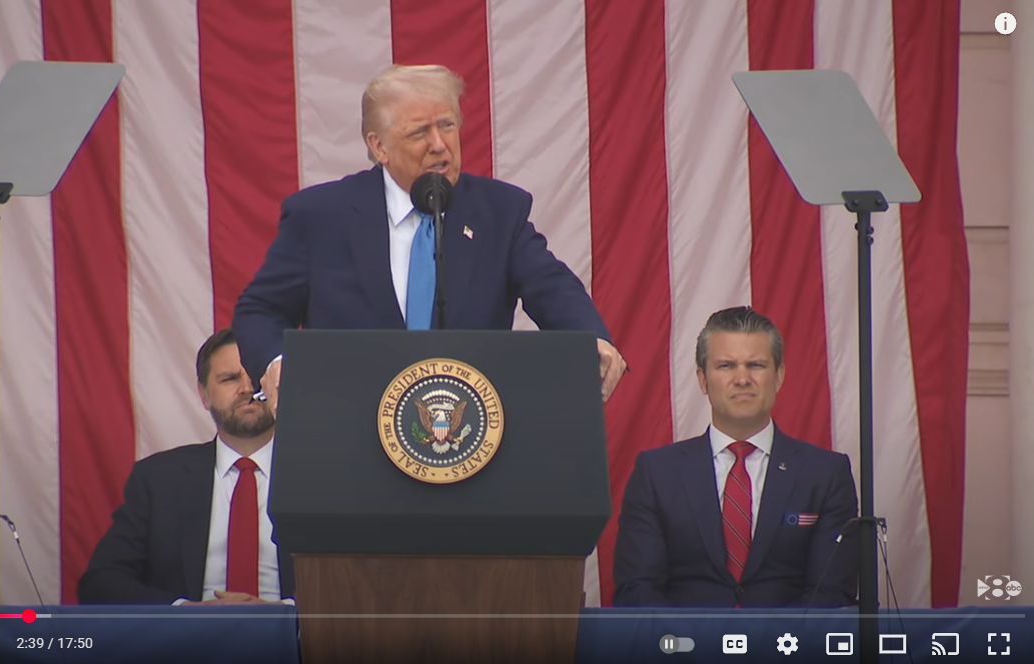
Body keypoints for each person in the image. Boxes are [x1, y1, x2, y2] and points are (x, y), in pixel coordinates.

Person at [233, 64, 625, 413]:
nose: (439, 144)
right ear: (379, 146)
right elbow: (260, 309)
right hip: (349, 427)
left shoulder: (498, 211)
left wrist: (590, 339)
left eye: (447, 125)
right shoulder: (321, 217)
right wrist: (276, 362)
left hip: (471, 432)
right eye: (420, 132)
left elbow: (552, 287)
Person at [613, 306, 858, 608]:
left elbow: (831, 593)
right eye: (726, 366)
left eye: (756, 365)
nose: (742, 379)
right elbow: (637, 591)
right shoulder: (656, 473)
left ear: (779, 376)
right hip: (681, 639)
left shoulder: (826, 474)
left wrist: (766, 638)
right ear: (703, 380)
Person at [77, 329, 291, 604]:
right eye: (230, 378)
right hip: (187, 630)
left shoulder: (322, 478)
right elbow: (101, 583)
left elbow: (346, 580)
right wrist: (186, 614)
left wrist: (287, 613)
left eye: (257, 376)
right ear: (204, 395)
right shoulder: (158, 480)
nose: (247, 389)